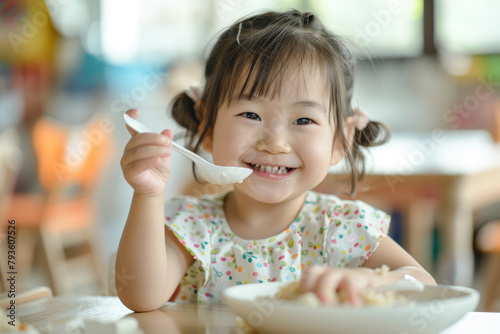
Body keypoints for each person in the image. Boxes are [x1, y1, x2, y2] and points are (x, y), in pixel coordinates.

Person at [116, 9, 436, 312]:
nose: (275, 143)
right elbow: (140, 296)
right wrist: (148, 195)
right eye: (251, 114)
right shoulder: (193, 226)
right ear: (207, 126)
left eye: (303, 120)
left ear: (340, 140)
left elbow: (425, 286)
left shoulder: (342, 228)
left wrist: (375, 280)